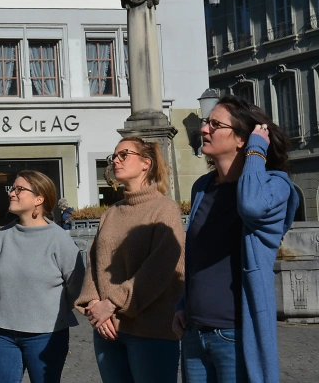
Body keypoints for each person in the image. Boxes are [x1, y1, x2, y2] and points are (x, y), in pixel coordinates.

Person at [173, 95, 299, 383]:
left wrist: (257, 152)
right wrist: (183, 304)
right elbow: (198, 257)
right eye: (206, 123)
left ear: (242, 138)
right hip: (194, 333)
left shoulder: (275, 185)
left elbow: (252, 207)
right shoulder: (202, 188)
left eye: (215, 124)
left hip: (236, 334)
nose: (204, 129)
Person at [76, 137, 185, 383]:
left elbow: (160, 268)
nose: (116, 160)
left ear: (146, 163)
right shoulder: (111, 213)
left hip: (150, 330)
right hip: (108, 329)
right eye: (113, 156)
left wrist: (111, 303)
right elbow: (95, 263)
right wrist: (94, 306)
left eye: (124, 154)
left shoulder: (164, 210)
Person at [0, 170, 85, 383]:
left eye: (19, 189)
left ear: (39, 199)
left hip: (45, 335)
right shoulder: (2, 236)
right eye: (13, 188)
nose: (12, 193)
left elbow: (76, 285)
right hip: (3, 334)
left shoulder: (58, 240)